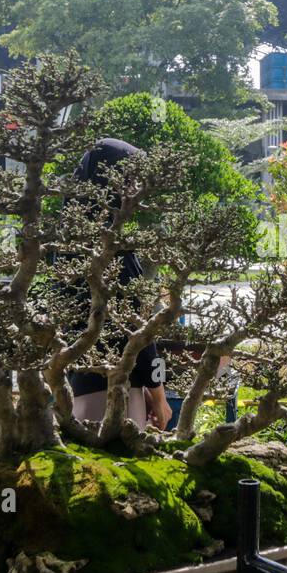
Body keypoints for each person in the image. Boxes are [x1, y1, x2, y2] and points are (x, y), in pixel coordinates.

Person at [67, 138, 172, 430]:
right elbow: (140, 330)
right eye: (131, 180)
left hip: (79, 385)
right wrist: (159, 395)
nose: (137, 189)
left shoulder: (70, 244)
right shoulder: (115, 251)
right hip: (115, 392)